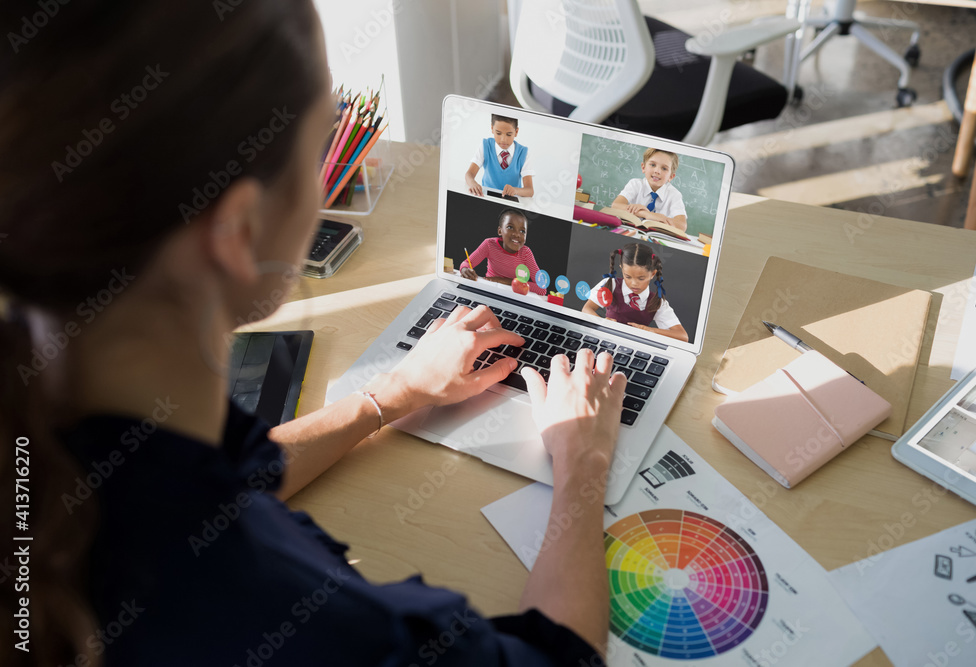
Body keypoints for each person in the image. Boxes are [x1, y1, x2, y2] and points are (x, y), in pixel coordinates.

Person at [0, 2, 626, 666]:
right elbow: (559, 658)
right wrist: (580, 461)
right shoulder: (324, 630)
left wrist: (389, 395)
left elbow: (197, 489)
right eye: (322, 140)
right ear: (238, 231)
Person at [582, 244, 689, 342]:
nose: (634, 284)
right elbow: (587, 309)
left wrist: (650, 330)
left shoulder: (657, 302)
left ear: (652, 274)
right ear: (622, 269)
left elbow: (682, 336)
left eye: (641, 278)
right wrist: (602, 322)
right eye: (627, 276)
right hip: (605, 338)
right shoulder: (611, 284)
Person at [459, 209, 546, 295]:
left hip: (514, 296)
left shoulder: (525, 253)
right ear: (500, 231)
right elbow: (466, 263)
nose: (517, 234)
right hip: (490, 290)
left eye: (522, 231)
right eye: (510, 227)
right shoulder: (489, 244)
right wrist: (465, 269)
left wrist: (505, 281)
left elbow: (542, 288)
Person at [610, 148, 687, 233]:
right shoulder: (635, 184)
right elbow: (616, 205)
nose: (657, 171)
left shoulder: (674, 194)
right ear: (643, 167)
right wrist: (647, 214)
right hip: (631, 231)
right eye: (653, 165)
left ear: (671, 177)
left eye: (664, 168)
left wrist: (647, 214)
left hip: (658, 236)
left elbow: (682, 226)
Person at [464, 114, 535, 198]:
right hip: (487, 197)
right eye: (498, 133)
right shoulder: (485, 145)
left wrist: (515, 190)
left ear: (516, 132)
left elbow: (530, 191)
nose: (503, 140)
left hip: (511, 201)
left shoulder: (523, 153)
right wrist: (473, 183)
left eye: (509, 134)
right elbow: (469, 174)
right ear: (492, 129)